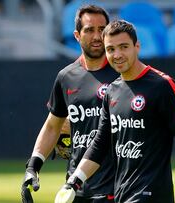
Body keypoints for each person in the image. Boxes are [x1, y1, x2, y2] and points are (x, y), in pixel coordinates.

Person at [55, 20, 175, 203]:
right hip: (122, 193)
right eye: (110, 49)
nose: (117, 55)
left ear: (137, 46)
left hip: (152, 194)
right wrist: (74, 182)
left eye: (123, 47)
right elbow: (100, 144)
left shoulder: (162, 85)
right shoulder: (112, 91)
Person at [21, 5, 119, 203]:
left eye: (102, 29)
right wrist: (33, 167)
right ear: (77, 35)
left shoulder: (123, 72)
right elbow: (52, 126)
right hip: (77, 187)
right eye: (89, 30)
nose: (97, 36)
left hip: (117, 187)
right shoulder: (66, 77)